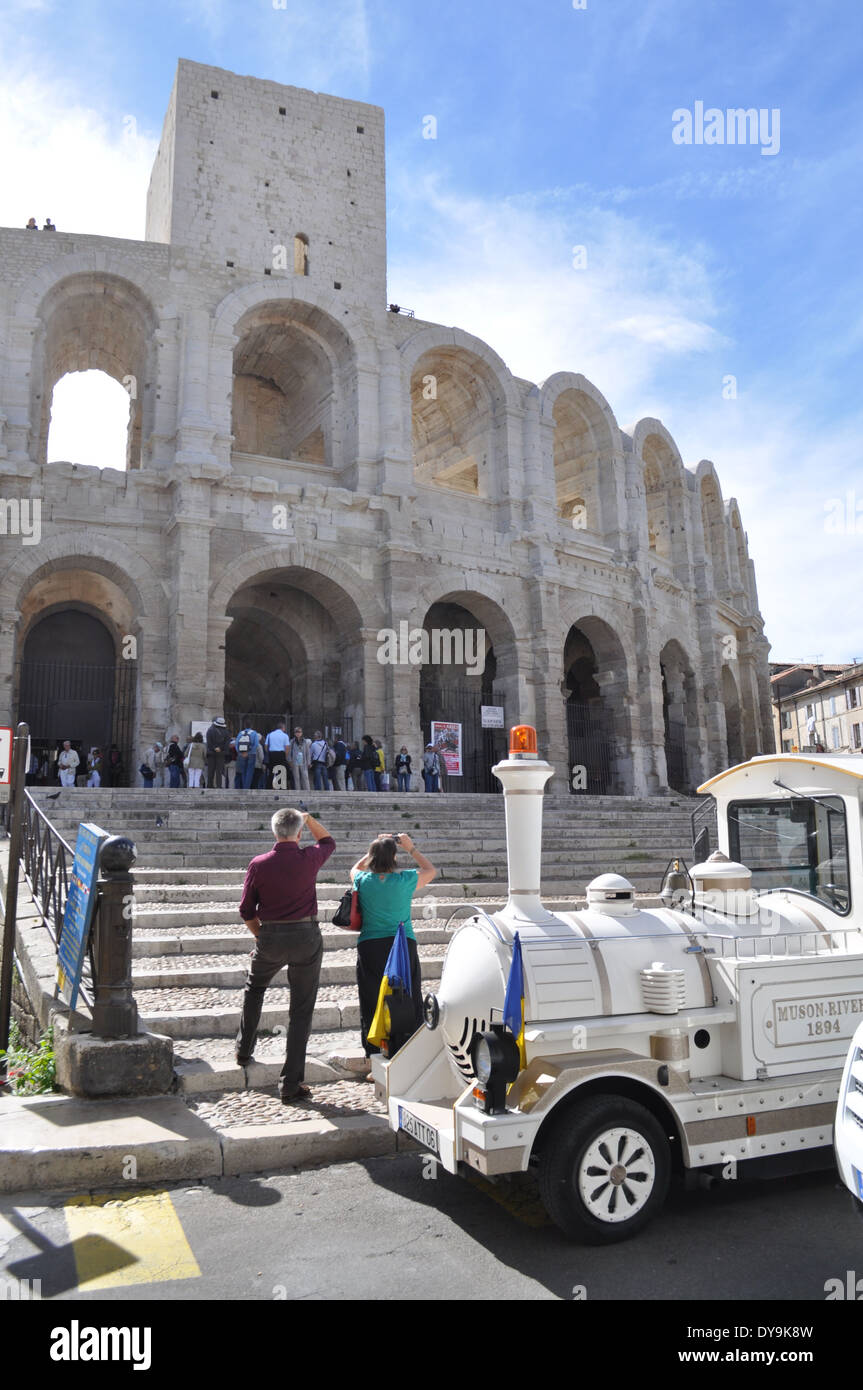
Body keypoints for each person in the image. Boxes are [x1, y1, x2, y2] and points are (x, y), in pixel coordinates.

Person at [236, 807, 336, 1101]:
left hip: (271, 935)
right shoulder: (309, 858)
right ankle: (291, 1083)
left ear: (273, 832)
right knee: (301, 1010)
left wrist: (260, 935)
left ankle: (244, 1050)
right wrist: (311, 819)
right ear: (299, 833)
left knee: (254, 989)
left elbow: (245, 910)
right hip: (306, 936)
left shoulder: (259, 863)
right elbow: (328, 842)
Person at [350, 832, 436, 1063]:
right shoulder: (405, 879)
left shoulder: (363, 880)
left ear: (372, 858)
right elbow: (431, 870)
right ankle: (409, 1052)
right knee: (408, 996)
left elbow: (354, 869)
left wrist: (374, 849)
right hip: (402, 944)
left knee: (371, 999)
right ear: (395, 857)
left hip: (371, 945)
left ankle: (373, 1056)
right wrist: (411, 848)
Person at [205, 717, 231, 789]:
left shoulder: (210, 730)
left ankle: (210, 785)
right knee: (219, 771)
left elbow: (209, 742)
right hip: (221, 754)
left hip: (211, 753)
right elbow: (227, 743)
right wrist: (221, 749)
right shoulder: (226, 732)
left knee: (211, 770)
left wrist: (214, 748)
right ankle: (219, 786)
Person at [264, 720, 290, 789]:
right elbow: (287, 748)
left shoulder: (269, 735)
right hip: (281, 754)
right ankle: (280, 787)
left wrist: (269, 753)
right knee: (281, 771)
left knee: (271, 772)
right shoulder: (285, 736)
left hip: (272, 754)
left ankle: (269, 787)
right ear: (283, 728)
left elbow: (266, 746)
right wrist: (285, 756)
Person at [234, 724, 260, 790]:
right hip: (251, 754)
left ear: (244, 726)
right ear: (251, 726)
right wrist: (250, 752)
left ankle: (243, 786)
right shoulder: (254, 733)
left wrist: (240, 753)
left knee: (243, 771)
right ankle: (247, 787)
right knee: (250, 771)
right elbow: (256, 744)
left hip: (242, 754)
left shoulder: (240, 733)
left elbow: (236, 744)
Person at [289, 726, 311, 791]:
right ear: (294, 733)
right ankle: (298, 791)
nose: (298, 733)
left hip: (303, 761)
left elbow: (308, 753)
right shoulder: (292, 742)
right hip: (295, 762)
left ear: (301, 733)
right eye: (296, 732)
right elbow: (289, 752)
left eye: (299, 732)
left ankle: (307, 791)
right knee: (296, 778)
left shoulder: (305, 742)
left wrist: (309, 762)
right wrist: (290, 761)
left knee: (305, 777)